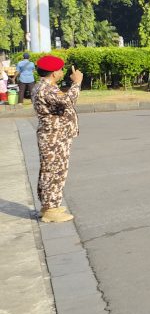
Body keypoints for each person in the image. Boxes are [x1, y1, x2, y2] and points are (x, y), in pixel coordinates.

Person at [33, 56, 83, 223]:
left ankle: (49, 205)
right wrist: (77, 82)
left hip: (54, 135)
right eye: (60, 70)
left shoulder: (45, 86)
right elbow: (68, 101)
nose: (62, 72)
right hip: (54, 137)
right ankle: (51, 209)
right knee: (56, 172)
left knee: (50, 170)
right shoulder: (46, 89)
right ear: (54, 73)